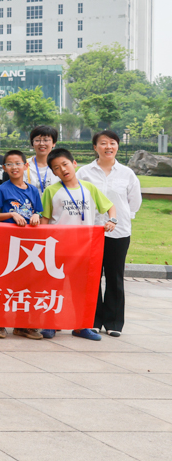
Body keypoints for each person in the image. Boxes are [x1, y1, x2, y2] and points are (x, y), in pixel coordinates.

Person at [41, 147, 117, 341]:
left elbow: (110, 207)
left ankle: (81, 326)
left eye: (65, 164)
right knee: (54, 287)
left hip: (84, 248)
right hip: (58, 248)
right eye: (56, 168)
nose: (63, 169)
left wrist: (112, 220)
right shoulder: (51, 191)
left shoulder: (89, 188)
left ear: (74, 164)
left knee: (81, 289)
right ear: (53, 173)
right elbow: (45, 220)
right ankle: (50, 324)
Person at [76, 130, 140, 338]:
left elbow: (134, 202)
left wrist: (122, 218)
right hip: (91, 231)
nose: (108, 147)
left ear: (117, 146)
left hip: (118, 233)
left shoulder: (127, 174)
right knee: (92, 277)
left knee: (115, 277)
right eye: (103, 143)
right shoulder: (84, 172)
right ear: (95, 147)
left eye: (112, 143)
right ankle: (92, 320)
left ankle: (114, 322)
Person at [0, 150, 45, 340]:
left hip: (28, 246)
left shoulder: (33, 190)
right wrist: (12, 214)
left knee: (26, 285)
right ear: (4, 168)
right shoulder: (2, 189)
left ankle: (23, 325)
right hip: (6, 244)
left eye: (18, 163)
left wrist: (36, 215)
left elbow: (39, 212)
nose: (14, 167)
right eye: (10, 164)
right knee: (3, 283)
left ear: (25, 166)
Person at [25, 125, 59, 192]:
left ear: (54, 143)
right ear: (32, 143)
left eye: (46, 140)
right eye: (37, 140)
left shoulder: (60, 166)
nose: (41, 143)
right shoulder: (24, 165)